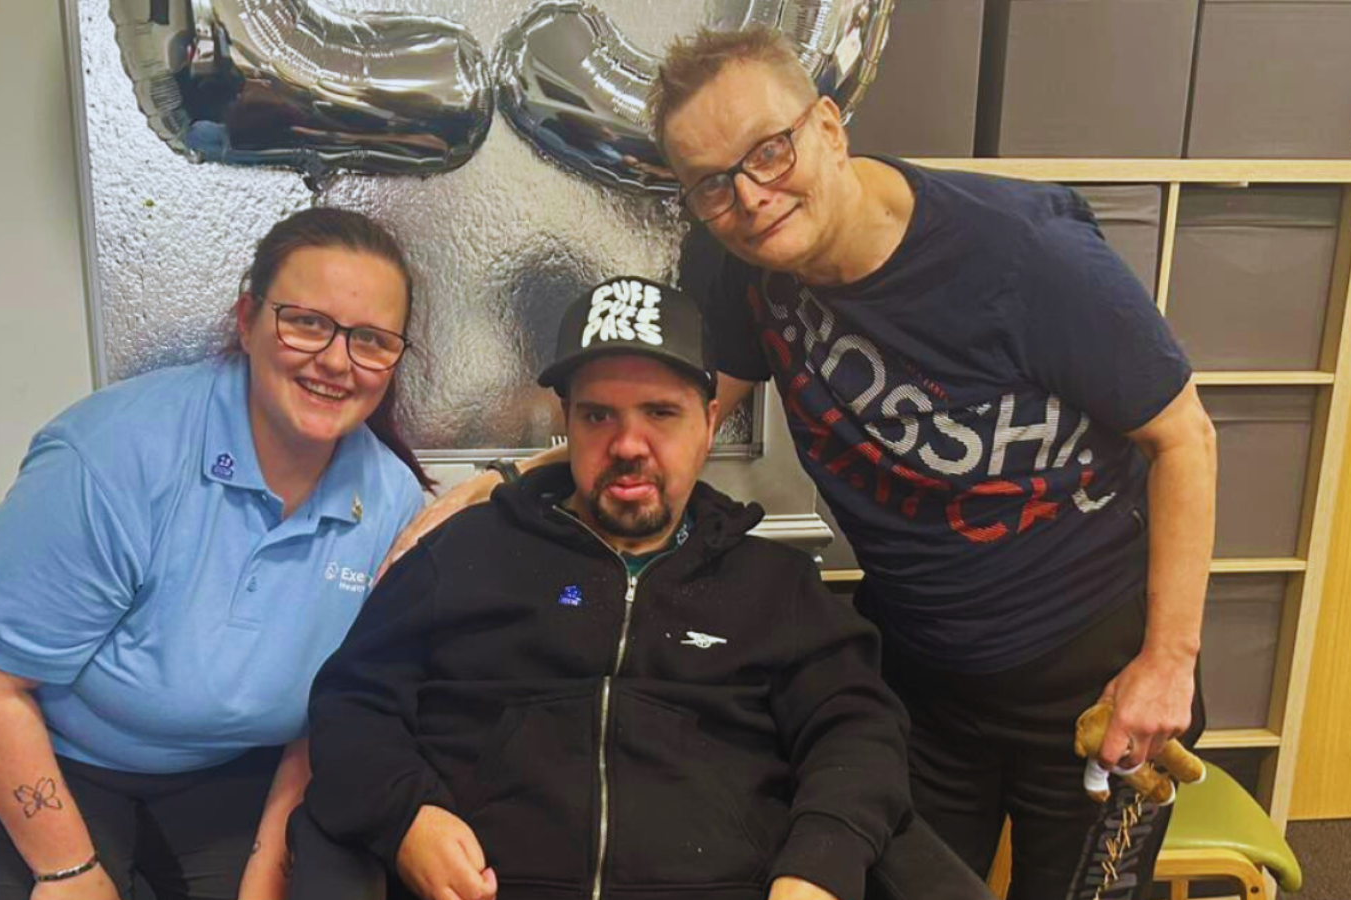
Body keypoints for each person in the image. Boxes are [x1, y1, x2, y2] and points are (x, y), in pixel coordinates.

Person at [388, 26, 1216, 900]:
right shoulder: (741, 261)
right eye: (711, 183)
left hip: (1087, 674)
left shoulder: (1023, 254)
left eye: (770, 152)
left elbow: (1184, 438)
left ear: (828, 125)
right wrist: (515, 480)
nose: (750, 195)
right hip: (925, 675)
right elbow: (682, 420)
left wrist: (1169, 663)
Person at [303, 276, 913, 900]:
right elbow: (352, 702)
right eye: (599, 415)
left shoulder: (776, 588)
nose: (627, 445)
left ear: (707, 424)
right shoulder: (466, 553)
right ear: (567, 421)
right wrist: (407, 818)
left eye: (660, 413)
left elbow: (859, 731)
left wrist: (819, 865)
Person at [0, 207, 431, 900]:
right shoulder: (116, 455)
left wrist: (268, 867)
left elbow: (330, 711)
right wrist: (67, 871)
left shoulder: (392, 504)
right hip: (29, 727)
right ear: (246, 321)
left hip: (216, 761)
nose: (336, 360)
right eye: (305, 322)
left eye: (370, 339)